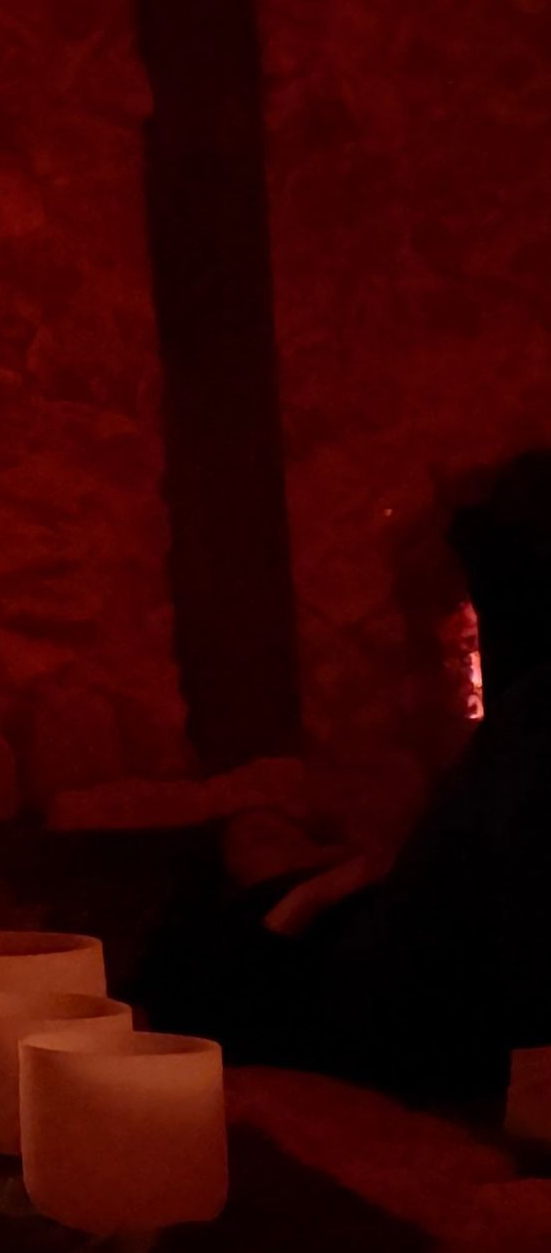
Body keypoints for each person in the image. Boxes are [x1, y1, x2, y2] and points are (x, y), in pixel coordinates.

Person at [145, 451, 551, 1101]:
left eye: (275, 834)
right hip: (371, 992)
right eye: (261, 837)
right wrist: (320, 888)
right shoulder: (235, 939)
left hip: (394, 931)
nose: (279, 832)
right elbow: (242, 1000)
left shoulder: (317, 889)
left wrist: (338, 875)